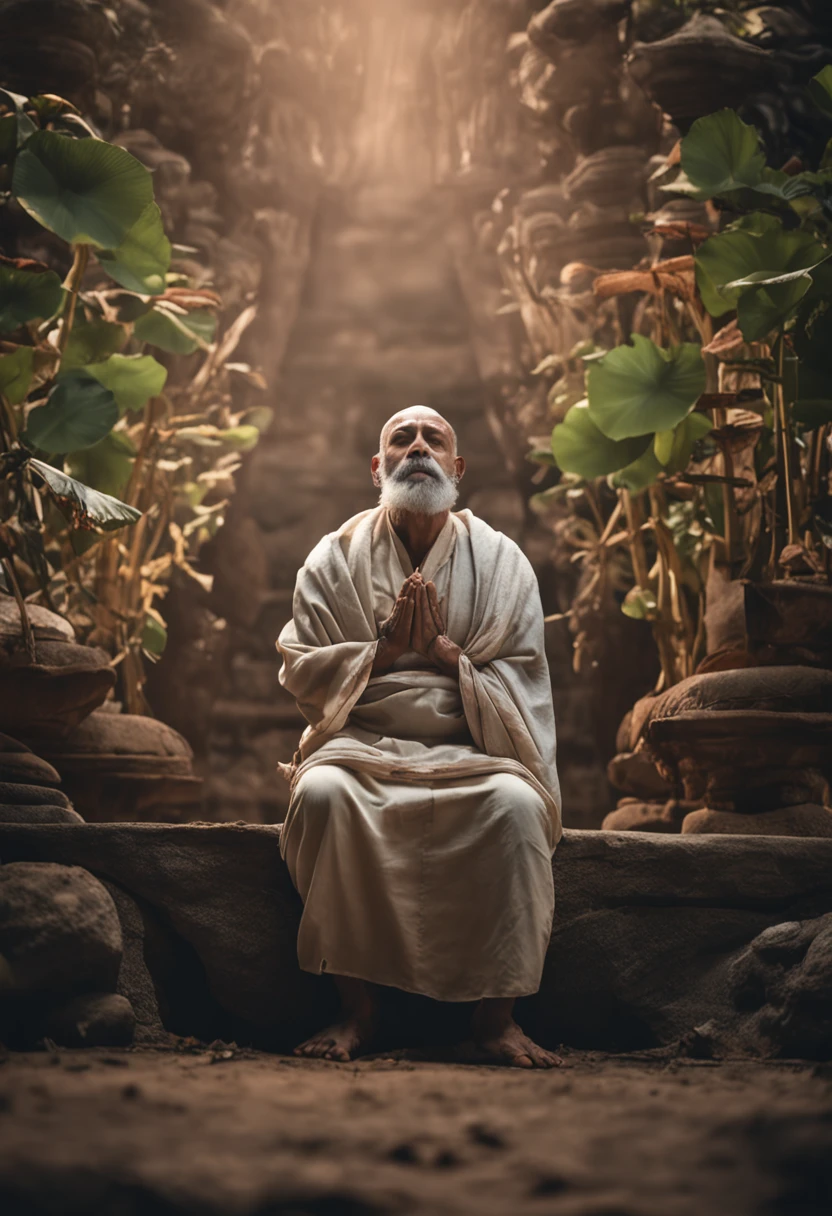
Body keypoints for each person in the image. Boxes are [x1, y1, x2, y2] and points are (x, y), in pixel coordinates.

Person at [276, 405, 562, 1068]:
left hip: (474, 748)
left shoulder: (503, 563)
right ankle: (359, 1010)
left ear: (458, 468)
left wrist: (446, 657)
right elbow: (300, 667)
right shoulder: (332, 559)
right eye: (400, 440)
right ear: (377, 468)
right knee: (321, 795)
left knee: (516, 809)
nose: (418, 448)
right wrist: (377, 652)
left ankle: (497, 1021)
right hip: (361, 744)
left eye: (434, 439)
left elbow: (523, 677)